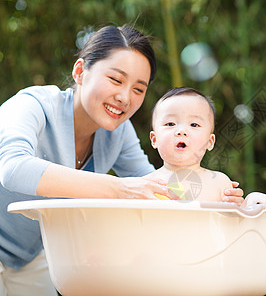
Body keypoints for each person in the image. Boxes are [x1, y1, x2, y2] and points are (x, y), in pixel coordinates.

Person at [0, 24, 244, 296]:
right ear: (80, 72)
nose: (125, 97)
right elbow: (13, 169)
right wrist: (118, 188)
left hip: (32, 256)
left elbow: (159, 187)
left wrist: (212, 194)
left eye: (138, 89)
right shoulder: (31, 105)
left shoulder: (118, 132)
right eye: (116, 80)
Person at [149, 87, 266, 214]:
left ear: (210, 142)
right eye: (170, 124)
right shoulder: (145, 185)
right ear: (154, 139)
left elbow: (235, 220)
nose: (181, 131)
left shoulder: (219, 183)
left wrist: (251, 202)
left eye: (194, 124)